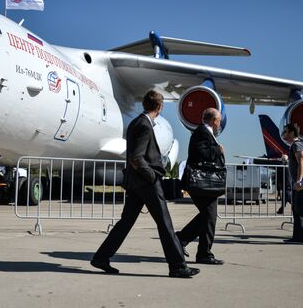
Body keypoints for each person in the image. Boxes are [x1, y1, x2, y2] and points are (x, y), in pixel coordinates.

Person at [90, 90, 199, 278]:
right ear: (160, 106)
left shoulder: (136, 123)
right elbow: (136, 158)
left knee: (125, 223)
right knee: (165, 224)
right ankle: (178, 266)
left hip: (135, 183)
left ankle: (101, 257)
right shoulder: (144, 126)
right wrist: (151, 176)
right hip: (146, 183)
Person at [176, 108, 225, 265]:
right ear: (214, 120)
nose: (220, 123)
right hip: (201, 183)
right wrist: (218, 150)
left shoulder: (204, 131)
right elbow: (200, 152)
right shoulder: (202, 132)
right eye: (219, 120)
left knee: (207, 216)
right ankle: (203, 253)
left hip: (204, 184)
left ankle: (181, 240)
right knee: (209, 216)